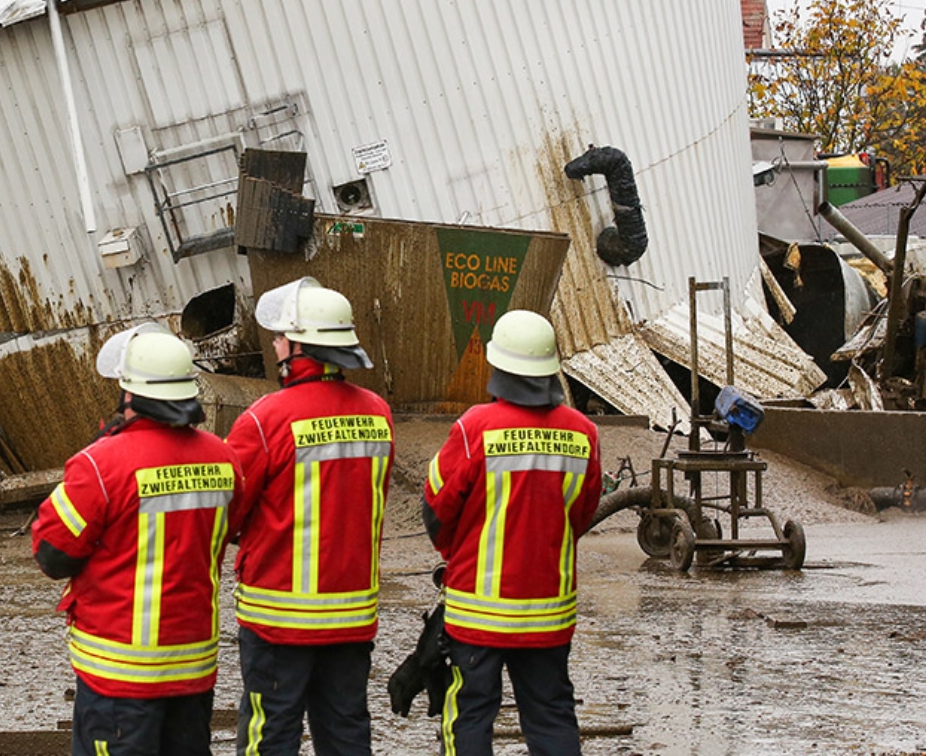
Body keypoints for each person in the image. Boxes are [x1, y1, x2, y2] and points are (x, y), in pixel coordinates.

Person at [31, 323, 252, 756]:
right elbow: (233, 529)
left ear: (128, 394)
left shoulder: (99, 464)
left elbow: (53, 555)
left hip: (118, 672)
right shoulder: (223, 457)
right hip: (193, 667)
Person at [227, 277, 394, 756]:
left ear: (299, 345)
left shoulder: (265, 419)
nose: (276, 343)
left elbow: (229, 513)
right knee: (345, 732)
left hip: (279, 614)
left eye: (281, 336)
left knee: (270, 732)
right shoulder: (377, 414)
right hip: (352, 613)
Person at [422, 310, 601, 756]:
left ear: (497, 365)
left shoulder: (474, 428)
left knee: (469, 713)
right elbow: (582, 514)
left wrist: (455, 549)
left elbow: (436, 509)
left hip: (477, 612)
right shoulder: (584, 433)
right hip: (549, 612)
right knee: (552, 714)